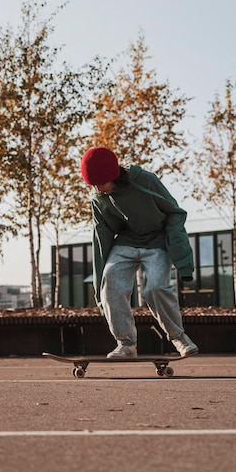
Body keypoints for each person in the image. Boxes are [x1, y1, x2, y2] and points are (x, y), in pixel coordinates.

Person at [80, 146, 198, 359]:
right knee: (111, 284)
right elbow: (101, 239)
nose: (97, 189)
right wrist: (100, 287)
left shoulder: (145, 181)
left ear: (113, 175)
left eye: (100, 183)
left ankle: (179, 338)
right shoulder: (98, 200)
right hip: (127, 241)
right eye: (93, 185)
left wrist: (183, 261)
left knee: (155, 288)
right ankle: (126, 344)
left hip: (157, 240)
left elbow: (175, 213)